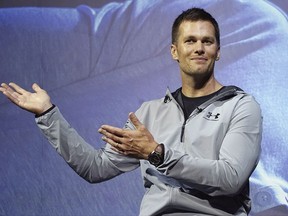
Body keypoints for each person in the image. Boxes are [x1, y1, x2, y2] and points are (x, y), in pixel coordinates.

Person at [0, 7, 262, 216]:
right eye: (190, 40)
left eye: (208, 41)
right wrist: (48, 114)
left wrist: (157, 154)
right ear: (175, 51)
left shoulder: (240, 105)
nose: (199, 48)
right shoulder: (147, 114)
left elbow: (230, 179)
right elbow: (95, 168)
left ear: (217, 52)